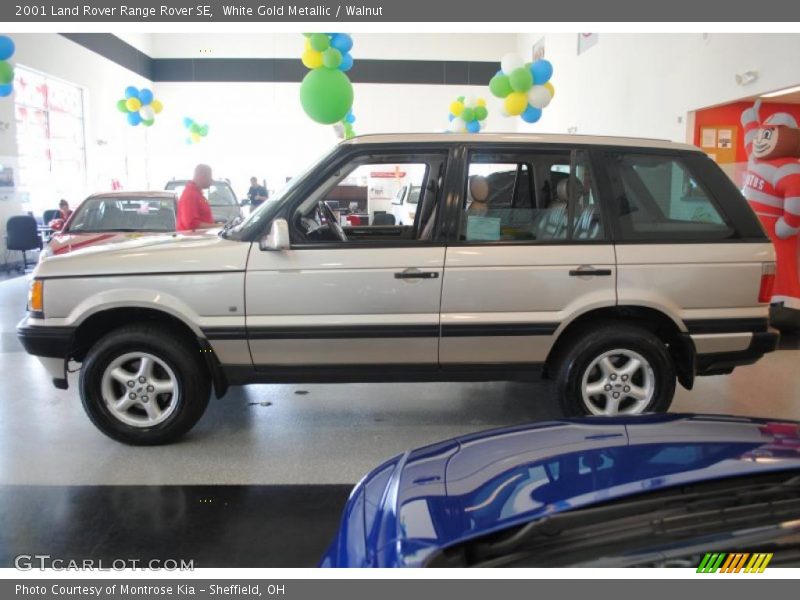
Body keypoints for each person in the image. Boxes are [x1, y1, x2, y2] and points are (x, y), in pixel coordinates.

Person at [176, 164, 218, 231]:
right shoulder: (190, 194)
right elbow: (191, 224)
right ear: (202, 176)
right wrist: (218, 226)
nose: (211, 180)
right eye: (209, 177)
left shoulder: (197, 194)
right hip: (193, 240)